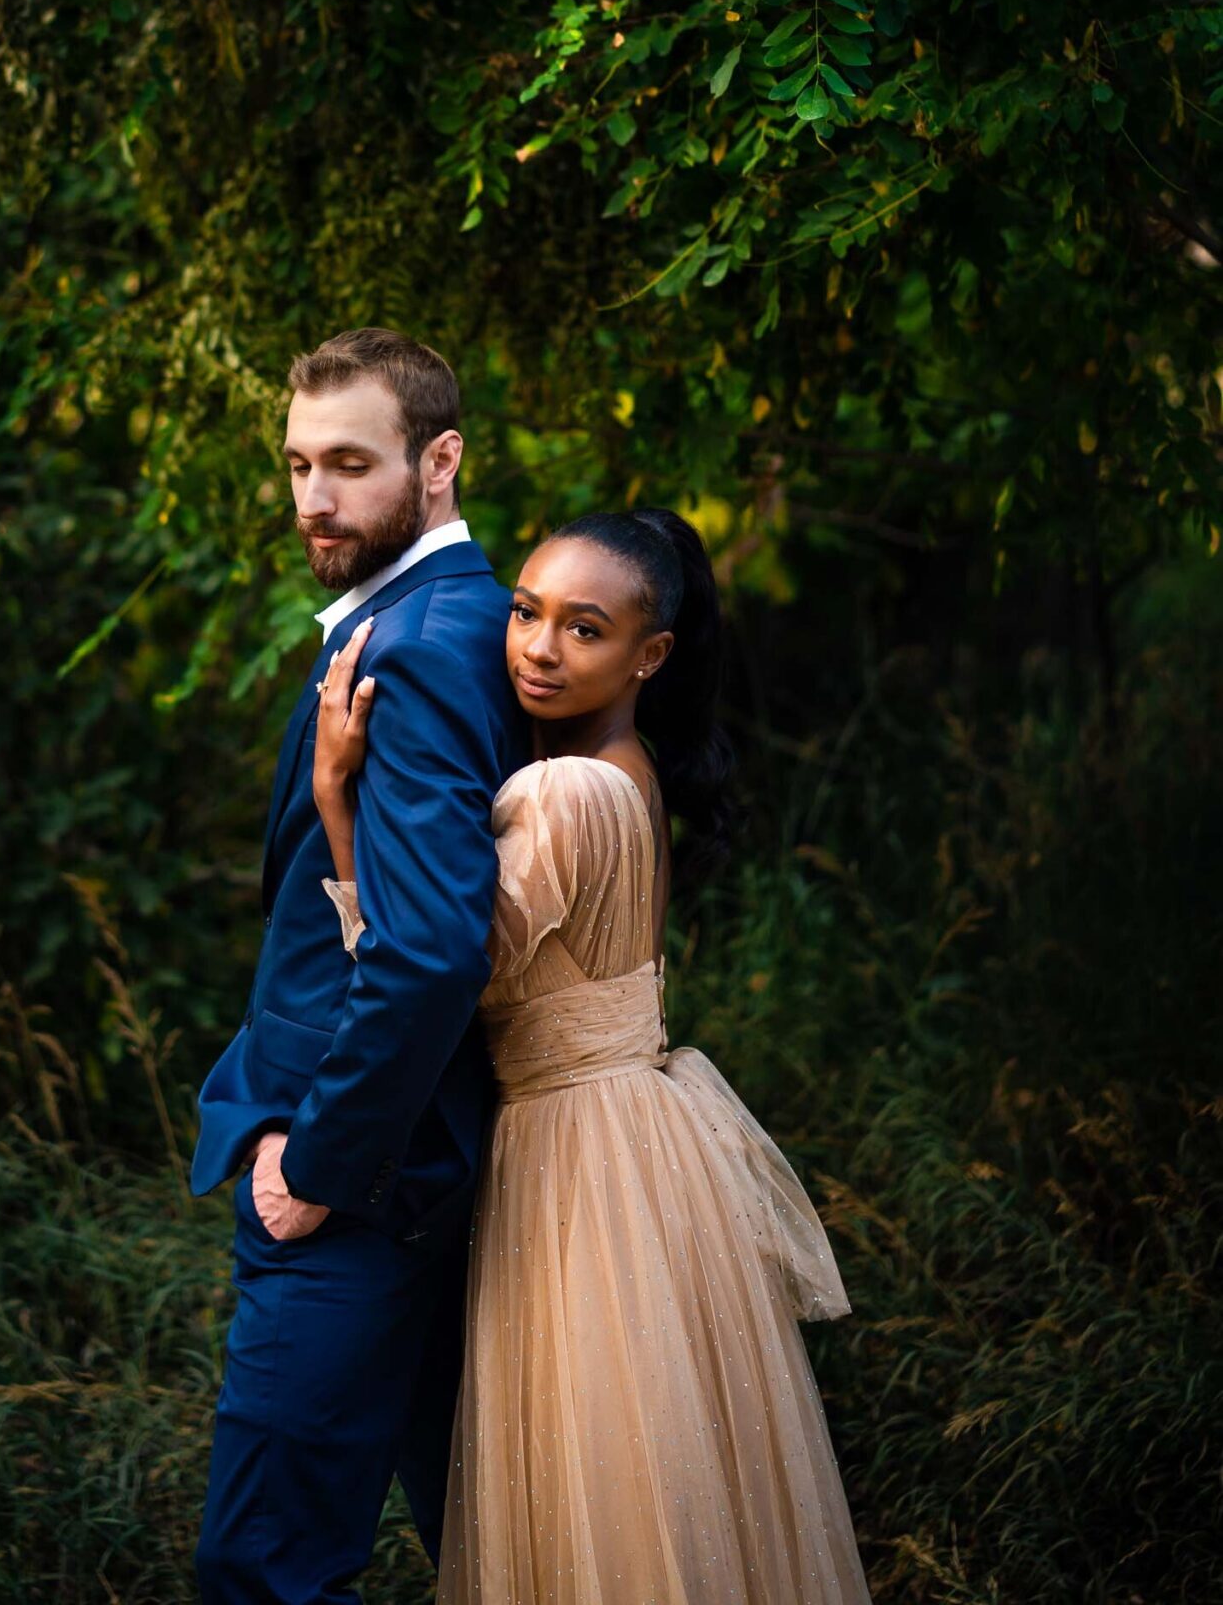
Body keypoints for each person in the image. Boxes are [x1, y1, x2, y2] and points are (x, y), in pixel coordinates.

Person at [314, 505, 875, 1605]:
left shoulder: (564, 792)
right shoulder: (633, 772)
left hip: (576, 1149)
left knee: (593, 1465)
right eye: (525, 611)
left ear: (647, 653)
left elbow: (432, 965)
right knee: (658, 1459)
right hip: (640, 1137)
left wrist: (340, 797)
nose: (534, 645)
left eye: (583, 629)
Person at [189, 328, 528, 1604]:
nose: (313, 499)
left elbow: (431, 949)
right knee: (482, 1537)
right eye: (295, 464)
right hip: (420, 1170)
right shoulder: (465, 619)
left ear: (439, 462)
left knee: (266, 1565)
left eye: (349, 463)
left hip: (355, 1188)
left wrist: (316, 1165)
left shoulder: (423, 647)